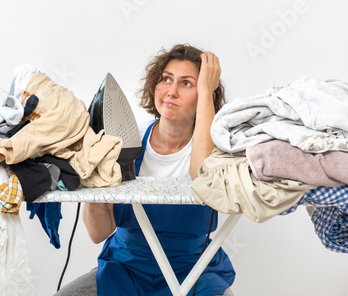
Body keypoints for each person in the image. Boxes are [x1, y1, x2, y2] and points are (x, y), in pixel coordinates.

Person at [55, 44, 235, 296]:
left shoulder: (216, 148)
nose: (171, 91)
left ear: (206, 95)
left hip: (193, 270)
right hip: (126, 267)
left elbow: (204, 175)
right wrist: (92, 178)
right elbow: (99, 233)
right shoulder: (126, 139)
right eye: (166, 79)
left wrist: (207, 90)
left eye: (186, 84)